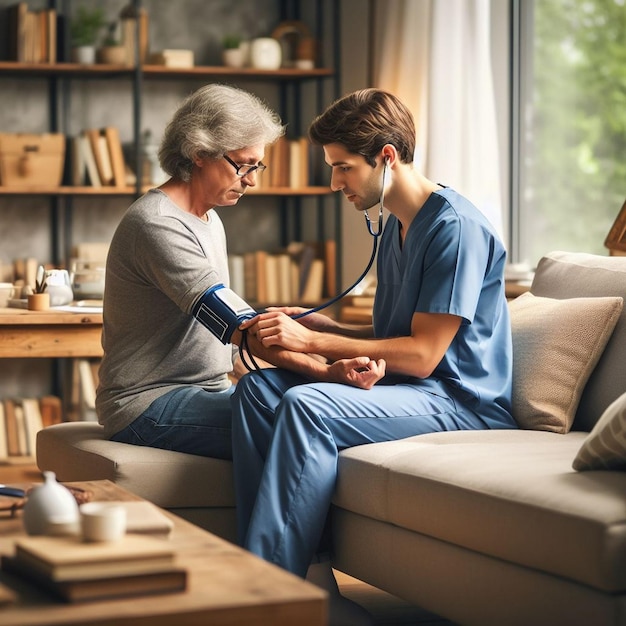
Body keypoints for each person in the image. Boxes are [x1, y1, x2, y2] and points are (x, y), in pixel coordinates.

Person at [230, 88, 517, 622]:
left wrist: (313, 344)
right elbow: (393, 337)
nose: (335, 183)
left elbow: (426, 355)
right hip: (411, 389)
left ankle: (264, 597)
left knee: (309, 405)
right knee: (257, 390)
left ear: (386, 157)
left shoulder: (455, 227)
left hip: (462, 402)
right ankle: (313, 581)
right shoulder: (396, 226)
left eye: (343, 168)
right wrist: (324, 325)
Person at [96, 83, 381, 457]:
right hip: (147, 405)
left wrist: (314, 369)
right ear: (199, 153)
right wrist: (325, 371)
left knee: (318, 405)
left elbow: (221, 340)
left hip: (206, 390)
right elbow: (240, 330)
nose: (252, 180)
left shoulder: (209, 219)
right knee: (306, 419)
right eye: (243, 165)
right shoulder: (158, 224)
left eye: (256, 165)